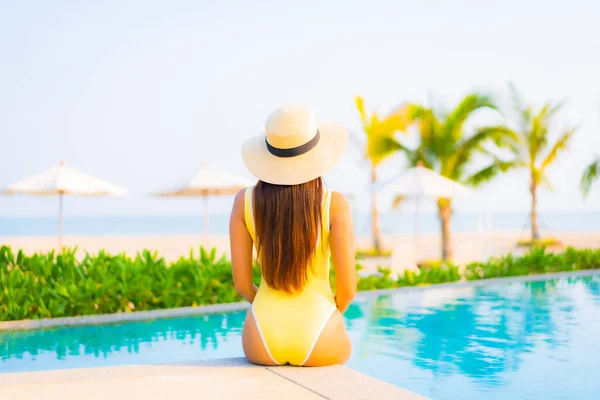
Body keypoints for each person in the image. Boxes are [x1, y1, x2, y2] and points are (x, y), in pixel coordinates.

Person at [229, 105, 356, 366]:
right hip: (321, 332)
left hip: (261, 337)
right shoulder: (335, 204)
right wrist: (327, 316)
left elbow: (242, 284)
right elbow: (348, 289)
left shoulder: (244, 202)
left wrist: (268, 306)